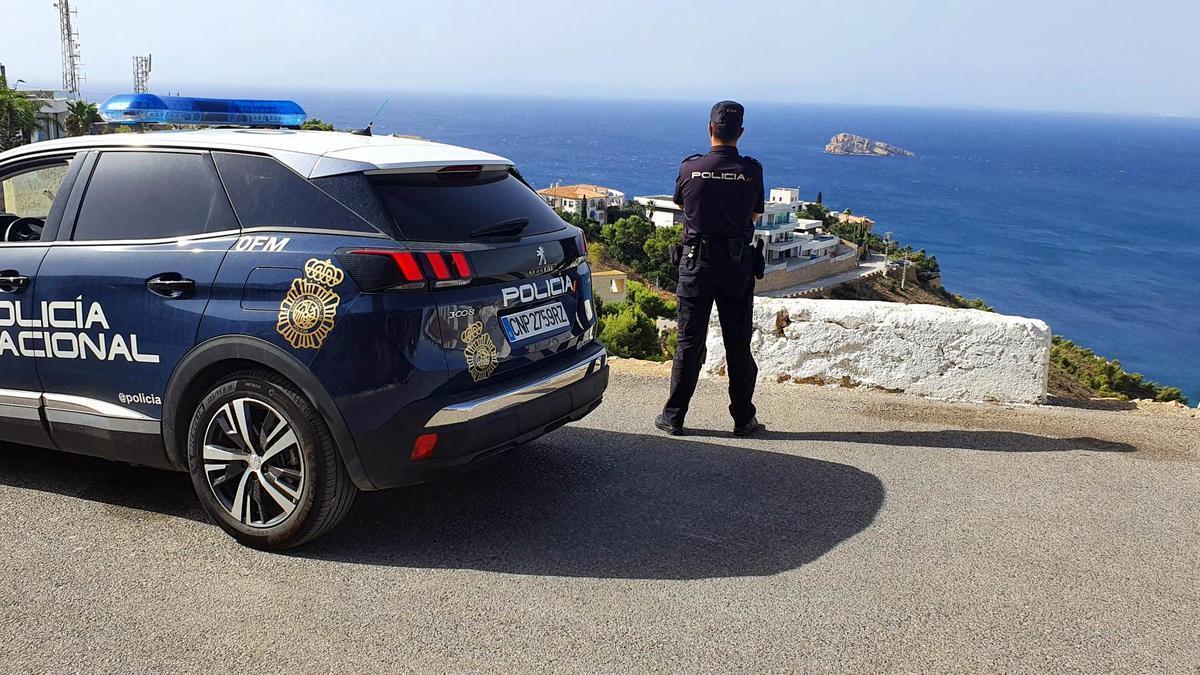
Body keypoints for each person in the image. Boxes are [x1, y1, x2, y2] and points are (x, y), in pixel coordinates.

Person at [655, 101, 766, 437]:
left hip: (695, 264)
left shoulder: (690, 168)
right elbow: (754, 215)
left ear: (709, 129)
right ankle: (743, 419)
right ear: (740, 133)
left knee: (688, 343)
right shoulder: (751, 172)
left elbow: (681, 203)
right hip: (735, 267)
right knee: (738, 344)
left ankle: (674, 417)